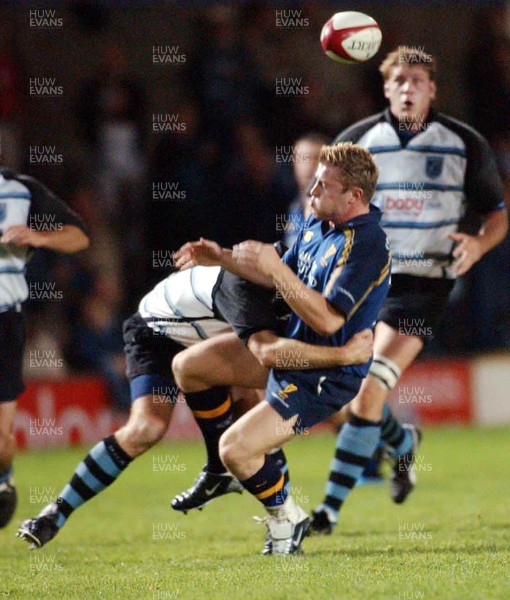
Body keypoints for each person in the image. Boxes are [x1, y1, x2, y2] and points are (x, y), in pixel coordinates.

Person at [17, 252, 373, 549]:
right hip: (155, 333)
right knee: (146, 428)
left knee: (250, 413)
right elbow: (266, 352)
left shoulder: (277, 283)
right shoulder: (250, 293)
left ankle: (268, 507)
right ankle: (55, 512)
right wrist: (342, 358)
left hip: (201, 338)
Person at [310, 46, 508, 535]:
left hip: (423, 287)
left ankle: (328, 512)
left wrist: (479, 247)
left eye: (417, 80)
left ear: (432, 89)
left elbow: (497, 215)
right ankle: (403, 444)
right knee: (353, 392)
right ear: (385, 88)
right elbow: (324, 208)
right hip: (364, 281)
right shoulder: (357, 143)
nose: (407, 88)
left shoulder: (463, 142)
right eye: (398, 80)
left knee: (369, 390)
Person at [174, 142, 391, 555]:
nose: (311, 192)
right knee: (188, 367)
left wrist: (275, 269)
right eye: (313, 183)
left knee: (236, 448)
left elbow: (328, 319)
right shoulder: (317, 224)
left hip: (324, 376)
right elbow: (278, 272)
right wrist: (220, 257)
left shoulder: (367, 245)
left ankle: (285, 519)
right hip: (292, 348)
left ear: (354, 197)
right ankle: (224, 473)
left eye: (323, 186)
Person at [0, 166, 89, 528]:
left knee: (3, 442)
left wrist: (37, 237)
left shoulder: (21, 190)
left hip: (4, 320)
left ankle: (3, 477)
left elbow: (79, 237)